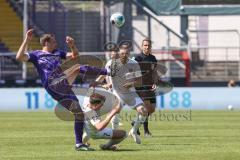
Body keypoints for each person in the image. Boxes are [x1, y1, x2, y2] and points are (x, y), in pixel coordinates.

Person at [16, 29, 108, 151]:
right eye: (53, 42)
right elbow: (19, 57)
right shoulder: (36, 55)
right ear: (46, 43)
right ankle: (108, 72)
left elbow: (75, 56)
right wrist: (27, 39)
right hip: (52, 84)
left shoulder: (58, 53)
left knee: (79, 114)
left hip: (63, 85)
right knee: (77, 68)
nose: (56, 44)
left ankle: (79, 144)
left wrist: (72, 46)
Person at [92, 42, 154, 144]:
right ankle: (114, 137)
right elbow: (102, 76)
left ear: (129, 53)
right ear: (119, 53)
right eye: (122, 53)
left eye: (126, 53)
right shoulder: (111, 64)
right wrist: (94, 84)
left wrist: (132, 84)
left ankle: (133, 131)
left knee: (143, 111)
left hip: (131, 94)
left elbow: (139, 81)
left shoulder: (134, 64)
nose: (124, 55)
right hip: (117, 94)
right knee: (114, 114)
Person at [131, 38, 157, 137]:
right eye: (145, 45)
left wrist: (155, 82)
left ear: (150, 47)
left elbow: (154, 72)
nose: (147, 47)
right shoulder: (137, 58)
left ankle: (135, 123)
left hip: (150, 85)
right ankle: (146, 131)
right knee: (146, 108)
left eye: (148, 45)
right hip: (141, 86)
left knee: (152, 109)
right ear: (142, 46)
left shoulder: (153, 58)